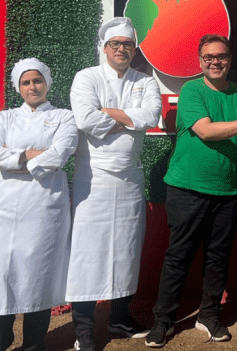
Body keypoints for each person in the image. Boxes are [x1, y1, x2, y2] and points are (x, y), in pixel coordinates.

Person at [144, 34, 237, 347]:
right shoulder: (192, 90)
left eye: (221, 56)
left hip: (230, 191)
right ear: (200, 61)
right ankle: (162, 321)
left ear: (231, 60)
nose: (215, 62)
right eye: (209, 57)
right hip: (188, 188)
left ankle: (209, 315)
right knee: (179, 256)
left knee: (218, 257)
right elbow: (205, 130)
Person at [67, 17, 162, 351]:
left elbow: (151, 117)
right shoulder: (86, 77)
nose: (122, 50)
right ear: (104, 47)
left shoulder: (144, 80)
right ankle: (83, 329)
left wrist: (112, 113)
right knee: (86, 253)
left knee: (127, 249)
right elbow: (86, 120)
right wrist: (128, 117)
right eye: (115, 44)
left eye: (128, 44)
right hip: (92, 179)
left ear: (135, 49)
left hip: (130, 178)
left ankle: (120, 319)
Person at [0, 58, 77, 351]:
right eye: (26, 82)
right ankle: (2, 338)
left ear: (47, 82)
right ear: (17, 87)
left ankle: (34, 343)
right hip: (3, 205)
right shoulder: (3, 118)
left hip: (45, 204)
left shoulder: (65, 117)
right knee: (0, 271)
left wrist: (16, 158)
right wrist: (32, 154)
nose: (32, 87)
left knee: (39, 271)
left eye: (37, 81)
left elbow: (60, 155)